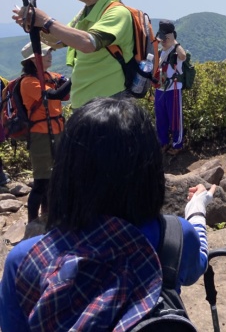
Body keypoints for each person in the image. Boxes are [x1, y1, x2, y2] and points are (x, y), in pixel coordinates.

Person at [0, 98, 214, 331]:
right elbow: (197, 266)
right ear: (150, 168)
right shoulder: (174, 236)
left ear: (66, 170)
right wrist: (197, 211)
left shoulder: (25, 259)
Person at [11, 0, 133, 108]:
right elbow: (60, 41)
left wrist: (47, 21)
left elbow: (88, 43)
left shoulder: (117, 12)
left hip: (108, 103)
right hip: (85, 101)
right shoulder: (86, 12)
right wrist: (36, 25)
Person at [17, 42, 71, 222]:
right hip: (40, 134)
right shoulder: (29, 82)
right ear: (34, 59)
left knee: (54, 176)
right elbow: (55, 95)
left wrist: (65, 81)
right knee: (41, 181)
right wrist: (74, 77)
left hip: (56, 130)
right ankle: (33, 222)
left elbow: (65, 95)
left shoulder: (49, 76)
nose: (50, 56)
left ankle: (46, 214)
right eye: (45, 53)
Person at [155, 20, 187, 156]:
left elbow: (183, 56)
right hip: (160, 89)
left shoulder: (175, 52)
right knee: (160, 118)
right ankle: (163, 142)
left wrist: (174, 42)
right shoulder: (161, 53)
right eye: (162, 37)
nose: (163, 40)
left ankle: (177, 144)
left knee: (175, 118)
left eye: (165, 38)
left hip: (173, 89)